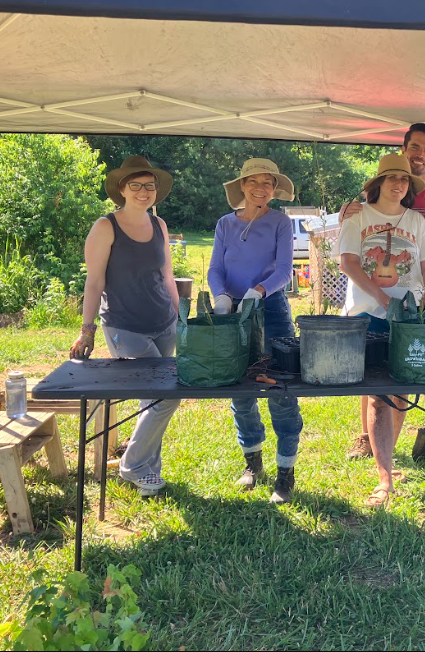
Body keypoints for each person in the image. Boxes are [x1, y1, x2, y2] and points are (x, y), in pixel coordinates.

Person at [340, 123, 425, 463]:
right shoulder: (365, 207)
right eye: (415, 147)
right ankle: (370, 440)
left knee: (423, 370)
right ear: (405, 148)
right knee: (375, 381)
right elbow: (349, 255)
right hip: (372, 302)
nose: (420, 154)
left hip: (423, 298)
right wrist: (344, 214)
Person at [69, 155, 180, 496]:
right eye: (136, 186)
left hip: (164, 324)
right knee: (165, 397)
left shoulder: (159, 225)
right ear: (122, 189)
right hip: (124, 327)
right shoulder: (106, 226)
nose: (144, 192)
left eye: (150, 186)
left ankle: (148, 471)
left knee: (155, 399)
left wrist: (181, 318)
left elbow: (167, 277)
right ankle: (133, 466)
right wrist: (86, 329)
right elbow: (94, 281)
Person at [336, 153, 425, 507]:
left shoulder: (418, 221)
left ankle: (389, 461)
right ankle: (384, 478)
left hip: (407, 318)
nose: (398, 184)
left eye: (405, 180)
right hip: (366, 316)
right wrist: (380, 296)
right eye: (392, 178)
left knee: (398, 395)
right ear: (378, 183)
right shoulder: (358, 217)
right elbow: (349, 262)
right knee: (378, 395)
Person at [207, 158, 304, 504]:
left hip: (272, 309)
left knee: (280, 388)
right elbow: (215, 267)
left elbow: (284, 270)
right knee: (241, 388)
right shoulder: (224, 224)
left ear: (275, 190)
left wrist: (259, 291)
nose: (261, 188)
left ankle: (285, 472)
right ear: (243, 185)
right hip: (232, 312)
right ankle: (252, 463)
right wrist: (221, 296)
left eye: (268, 183)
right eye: (254, 182)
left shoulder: (280, 222)